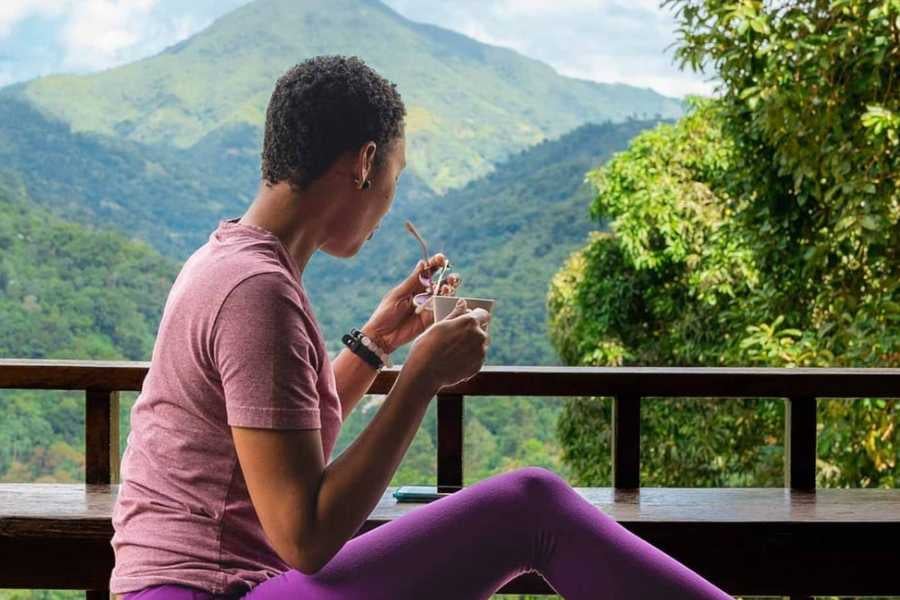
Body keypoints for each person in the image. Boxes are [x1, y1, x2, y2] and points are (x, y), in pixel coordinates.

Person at [109, 55, 733, 600]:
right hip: (207, 590)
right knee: (530, 507)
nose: (389, 200)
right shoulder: (257, 292)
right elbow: (304, 536)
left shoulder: (229, 261)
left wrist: (376, 343)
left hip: (208, 585)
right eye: (395, 178)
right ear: (364, 163)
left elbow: (284, 446)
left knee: (526, 509)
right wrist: (421, 379)